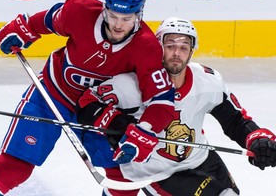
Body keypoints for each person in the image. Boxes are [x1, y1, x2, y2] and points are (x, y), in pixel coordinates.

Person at [0, 0, 176, 195]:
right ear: (105, 8)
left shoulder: (147, 47)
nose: (117, 25)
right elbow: (49, 20)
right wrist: (25, 28)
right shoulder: (80, 11)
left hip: (99, 110)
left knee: (123, 181)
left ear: (139, 15)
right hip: (53, 93)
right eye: (113, 16)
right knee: (14, 166)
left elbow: (162, 99)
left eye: (126, 19)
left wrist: (145, 129)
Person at [76, 17, 276, 195]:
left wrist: (257, 140)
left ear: (191, 51)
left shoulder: (207, 80)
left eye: (183, 47)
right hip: (157, 171)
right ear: (158, 47)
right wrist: (119, 124)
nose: (176, 53)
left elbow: (236, 120)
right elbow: (87, 102)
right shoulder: (132, 84)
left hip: (200, 157)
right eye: (170, 45)